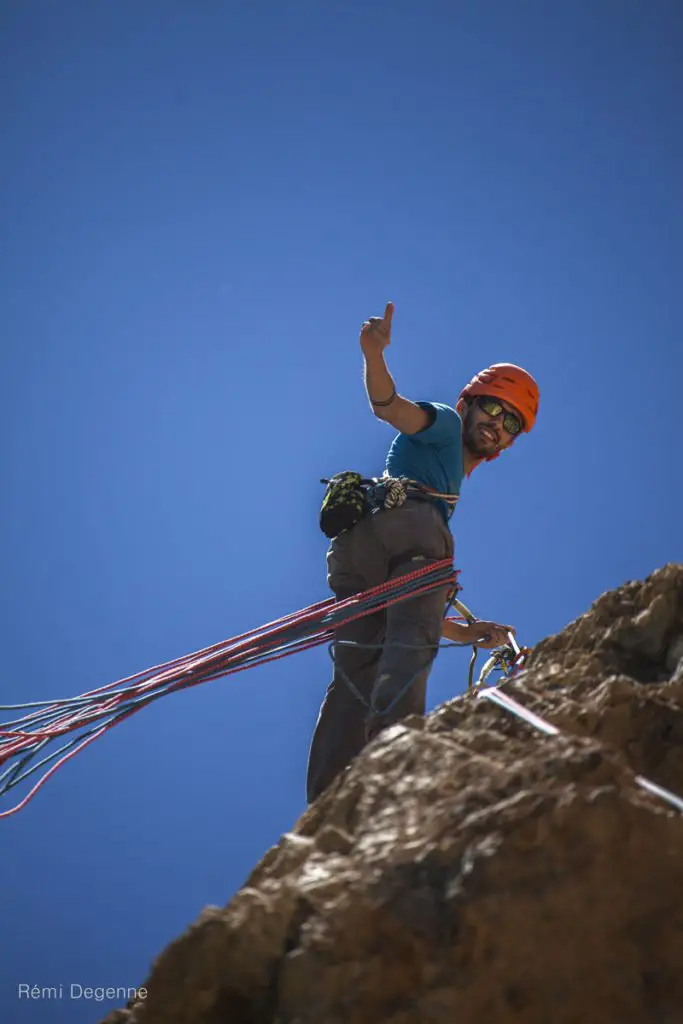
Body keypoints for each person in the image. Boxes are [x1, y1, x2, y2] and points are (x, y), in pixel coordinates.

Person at [306, 301, 539, 804]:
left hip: (359, 555)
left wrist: (466, 632)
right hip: (408, 530)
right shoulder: (445, 426)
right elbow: (391, 407)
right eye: (494, 408)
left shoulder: (451, 473)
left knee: (356, 671)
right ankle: (397, 753)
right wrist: (373, 354)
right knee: (412, 635)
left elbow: (408, 610)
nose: (498, 424)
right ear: (470, 402)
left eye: (512, 423)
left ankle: (326, 803)